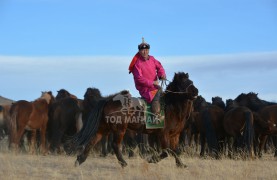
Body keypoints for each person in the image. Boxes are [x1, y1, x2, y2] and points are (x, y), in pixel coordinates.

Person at [128, 38, 166, 120]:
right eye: (142, 50)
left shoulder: (152, 59)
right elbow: (139, 79)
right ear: (139, 51)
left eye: (146, 50)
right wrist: (152, 83)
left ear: (148, 50)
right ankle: (155, 116)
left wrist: (162, 75)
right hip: (145, 89)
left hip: (154, 86)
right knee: (157, 92)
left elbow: (159, 67)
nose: (145, 52)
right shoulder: (137, 64)